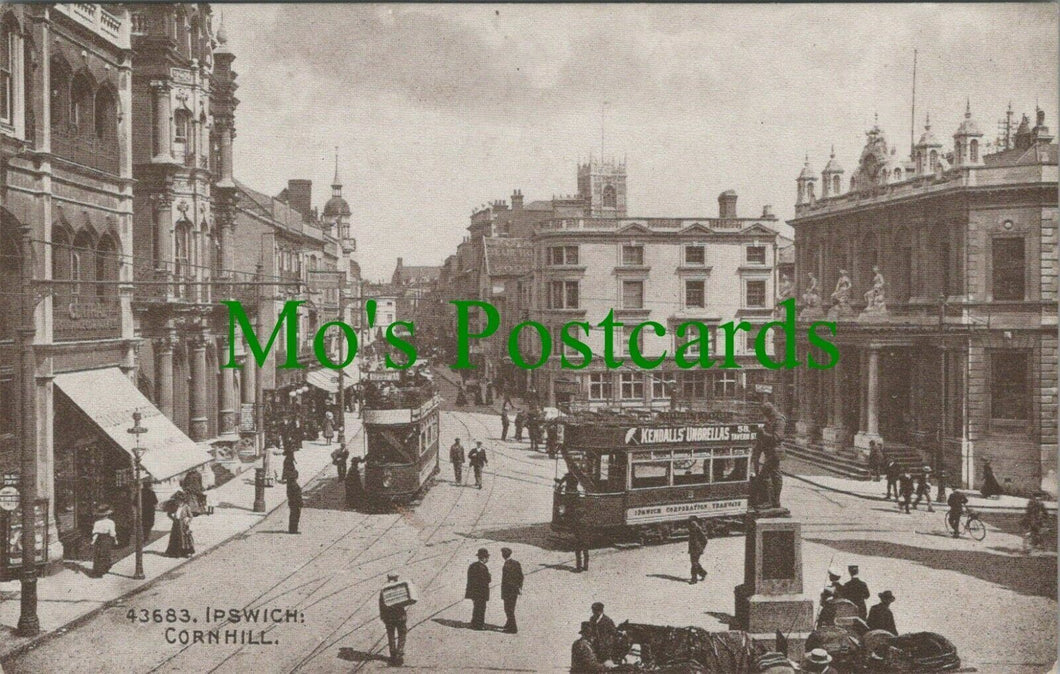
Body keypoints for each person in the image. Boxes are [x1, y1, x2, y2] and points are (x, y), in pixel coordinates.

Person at [379, 573, 409, 666]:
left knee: (391, 635)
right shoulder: (400, 588)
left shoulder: (384, 589)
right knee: (402, 634)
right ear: (397, 578)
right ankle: (399, 655)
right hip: (400, 616)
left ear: (388, 578)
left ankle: (392, 655)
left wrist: (383, 616)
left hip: (389, 617)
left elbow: (381, 604)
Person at [465, 548, 491, 630]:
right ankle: (479, 625)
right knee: (481, 608)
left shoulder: (472, 566)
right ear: (484, 558)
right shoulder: (483, 567)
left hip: (473, 591)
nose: (487, 559)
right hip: (481, 592)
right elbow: (487, 580)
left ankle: (474, 623)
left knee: (476, 607)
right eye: (487, 557)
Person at [500, 547, 523, 633]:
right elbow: (521, 576)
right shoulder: (516, 563)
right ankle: (509, 623)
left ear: (503, 555)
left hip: (508, 591)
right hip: (515, 590)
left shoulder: (506, 565)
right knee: (511, 608)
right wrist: (520, 587)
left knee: (508, 609)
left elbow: (506, 581)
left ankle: (513, 628)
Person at [165, 491, 194, 558]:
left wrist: (187, 521)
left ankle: (186, 552)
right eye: (176, 500)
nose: (177, 502)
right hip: (176, 524)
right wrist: (173, 518)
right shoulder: (175, 507)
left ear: (182, 500)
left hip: (183, 525)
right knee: (175, 538)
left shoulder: (186, 507)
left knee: (185, 538)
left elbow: (190, 516)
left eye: (178, 500)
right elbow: (169, 514)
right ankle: (175, 553)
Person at [90, 504, 116, 578]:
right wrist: (115, 539)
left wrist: (93, 541)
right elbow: (112, 533)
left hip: (99, 539)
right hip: (107, 539)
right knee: (106, 553)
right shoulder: (110, 522)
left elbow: (95, 533)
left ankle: (97, 571)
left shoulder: (97, 523)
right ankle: (105, 568)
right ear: (107, 514)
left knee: (98, 554)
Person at [687, 516, 708, 584]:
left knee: (694, 563)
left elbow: (705, 540)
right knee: (694, 562)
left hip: (696, 549)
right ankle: (703, 573)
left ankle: (694, 579)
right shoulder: (692, 529)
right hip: (693, 549)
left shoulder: (697, 529)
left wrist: (701, 548)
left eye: (693, 522)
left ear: (695, 522)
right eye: (691, 522)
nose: (692, 523)